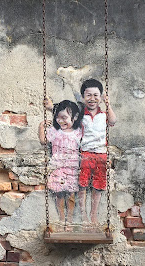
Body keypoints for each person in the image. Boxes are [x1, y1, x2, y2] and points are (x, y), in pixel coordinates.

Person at [45, 78, 116, 224]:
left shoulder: (104, 115)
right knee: (82, 185)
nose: (92, 99)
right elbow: (66, 113)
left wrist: (108, 104)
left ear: (101, 97)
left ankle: (93, 214)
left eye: (96, 95)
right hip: (85, 153)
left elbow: (113, 121)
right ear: (83, 97)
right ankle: (83, 214)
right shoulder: (81, 114)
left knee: (98, 186)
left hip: (101, 154)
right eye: (88, 95)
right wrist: (51, 108)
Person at [38, 100, 83, 225]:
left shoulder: (78, 132)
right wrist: (41, 127)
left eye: (64, 118)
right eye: (58, 117)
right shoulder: (54, 131)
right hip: (58, 167)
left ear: (74, 117)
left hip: (72, 168)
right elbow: (43, 141)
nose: (60, 121)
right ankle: (62, 219)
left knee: (71, 195)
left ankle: (70, 219)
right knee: (59, 194)